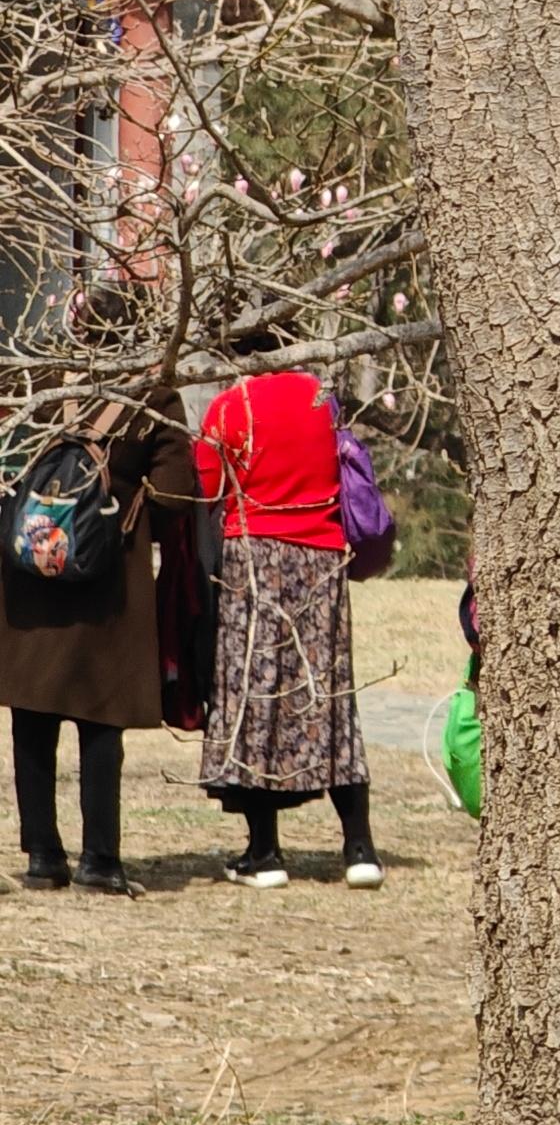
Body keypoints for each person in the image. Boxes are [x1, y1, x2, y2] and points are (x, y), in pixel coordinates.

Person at [1, 380, 200, 892]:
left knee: (32, 717)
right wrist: (123, 517)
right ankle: (100, 861)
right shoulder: (153, 397)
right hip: (112, 580)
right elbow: (177, 493)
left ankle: (43, 856)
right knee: (102, 722)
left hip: (31, 572)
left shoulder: (36, 378)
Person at [192, 362, 378, 886]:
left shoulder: (230, 406)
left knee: (253, 698)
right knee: (332, 699)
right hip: (322, 560)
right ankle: (360, 848)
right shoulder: (323, 399)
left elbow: (207, 486)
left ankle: (265, 853)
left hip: (255, 558)